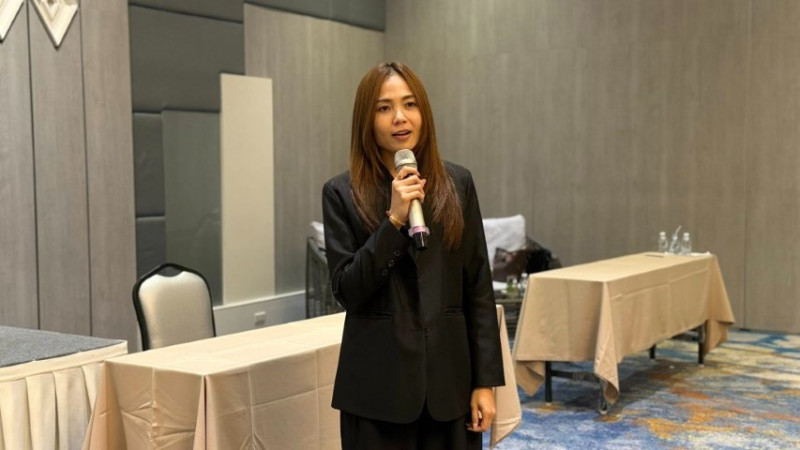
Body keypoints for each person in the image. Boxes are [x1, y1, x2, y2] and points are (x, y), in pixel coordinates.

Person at [322, 62, 504, 449]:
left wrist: (485, 382)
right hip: (377, 391)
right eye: (384, 107)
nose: (400, 117)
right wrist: (393, 222)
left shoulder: (458, 183)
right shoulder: (341, 193)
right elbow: (347, 291)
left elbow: (478, 287)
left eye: (409, 104)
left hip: (450, 386)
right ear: (366, 119)